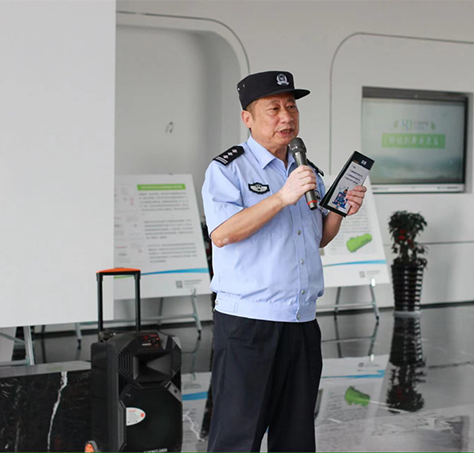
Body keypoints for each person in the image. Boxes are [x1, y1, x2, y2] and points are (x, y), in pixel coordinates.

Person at [202, 70, 367, 452]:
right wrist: (280, 197)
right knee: (237, 436)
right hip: (249, 324)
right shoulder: (228, 169)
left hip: (301, 322)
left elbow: (316, 237)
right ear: (247, 118)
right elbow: (222, 234)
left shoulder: (306, 171)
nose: (286, 117)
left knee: (296, 437)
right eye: (273, 109)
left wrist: (339, 211)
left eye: (291, 107)